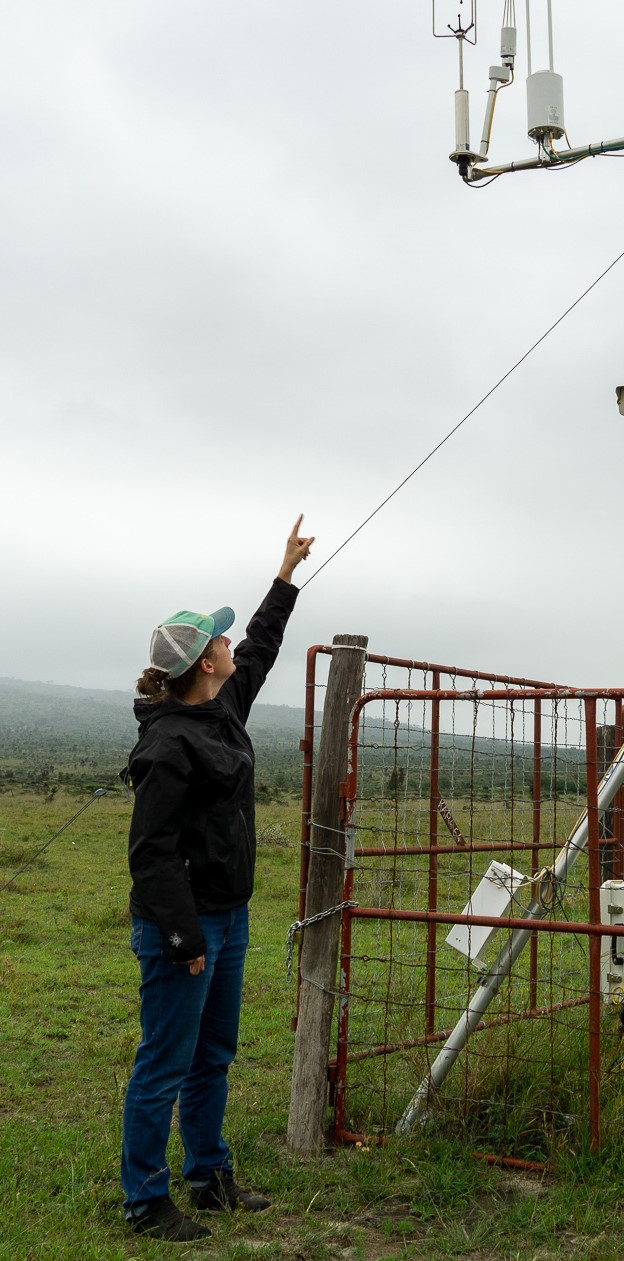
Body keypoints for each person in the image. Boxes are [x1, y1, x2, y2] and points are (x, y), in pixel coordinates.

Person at [120, 517, 314, 1241]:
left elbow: (261, 642)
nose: (232, 645)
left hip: (230, 915)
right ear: (203, 662)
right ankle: (145, 1199)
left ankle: (207, 1175)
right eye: (220, 640)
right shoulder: (167, 743)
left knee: (214, 1053)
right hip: (187, 922)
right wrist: (181, 934)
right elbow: (151, 853)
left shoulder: (223, 705)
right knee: (164, 1059)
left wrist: (285, 573)